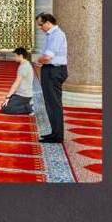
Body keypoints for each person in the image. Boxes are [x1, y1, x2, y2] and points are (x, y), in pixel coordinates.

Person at [34, 13, 68, 143]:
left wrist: (39, 61)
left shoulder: (56, 35)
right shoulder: (51, 35)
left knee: (54, 104)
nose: (40, 28)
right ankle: (54, 133)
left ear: (48, 23)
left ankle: (57, 136)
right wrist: (42, 61)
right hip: (51, 69)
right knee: (50, 103)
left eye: (41, 25)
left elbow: (48, 57)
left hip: (54, 71)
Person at [0, 47, 34, 115]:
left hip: (24, 95)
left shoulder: (23, 67)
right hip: (22, 94)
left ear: (20, 56)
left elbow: (16, 83)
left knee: (5, 108)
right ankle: (27, 104)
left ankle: (28, 107)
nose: (14, 57)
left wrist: (8, 97)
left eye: (15, 56)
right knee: (4, 104)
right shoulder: (25, 64)